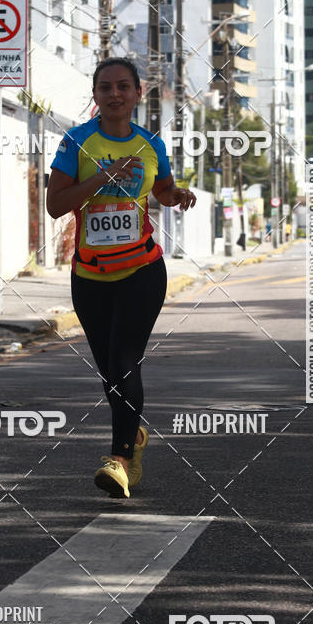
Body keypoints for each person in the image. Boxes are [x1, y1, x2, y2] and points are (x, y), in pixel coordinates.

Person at [46, 57, 196, 499]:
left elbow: (161, 189)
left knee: (125, 361)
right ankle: (132, 439)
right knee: (110, 372)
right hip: (90, 276)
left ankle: (118, 458)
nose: (115, 94)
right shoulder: (77, 141)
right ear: (95, 94)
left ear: (136, 94)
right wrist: (101, 178)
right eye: (106, 87)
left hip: (143, 270)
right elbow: (56, 205)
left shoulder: (150, 143)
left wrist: (176, 194)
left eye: (123, 87)